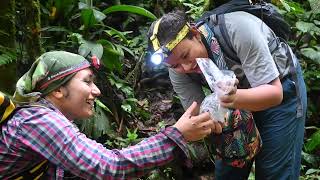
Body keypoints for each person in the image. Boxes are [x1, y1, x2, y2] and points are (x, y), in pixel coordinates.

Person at [0, 51, 217, 179]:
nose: (97, 91)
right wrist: (176, 136)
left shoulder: (40, 117)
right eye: (87, 81)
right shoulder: (39, 121)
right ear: (57, 90)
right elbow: (109, 167)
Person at [147, 9, 307, 180]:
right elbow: (197, 111)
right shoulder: (177, 68)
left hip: (280, 90)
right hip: (230, 104)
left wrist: (234, 98)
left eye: (186, 55)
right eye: (175, 66)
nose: (185, 68)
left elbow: (275, 94)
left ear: (195, 34)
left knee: (274, 173)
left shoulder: (238, 29)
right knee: (228, 173)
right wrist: (207, 122)